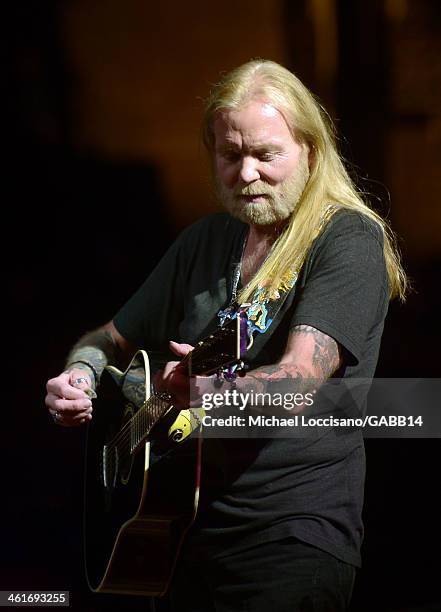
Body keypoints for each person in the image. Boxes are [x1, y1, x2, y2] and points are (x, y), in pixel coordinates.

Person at [45, 59, 407, 611]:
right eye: (230, 155)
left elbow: (297, 381)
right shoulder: (204, 241)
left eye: (266, 155)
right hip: (180, 533)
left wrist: (208, 395)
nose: (245, 174)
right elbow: (107, 337)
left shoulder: (346, 238)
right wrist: (80, 374)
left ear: (310, 150)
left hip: (289, 538)